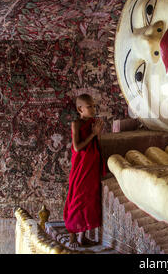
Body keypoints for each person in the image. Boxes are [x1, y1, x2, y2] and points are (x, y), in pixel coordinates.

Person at [64, 93, 107, 248]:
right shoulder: (76, 124)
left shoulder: (94, 123)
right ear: (80, 109)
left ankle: (83, 237)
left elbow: (97, 143)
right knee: (77, 198)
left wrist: (97, 134)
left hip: (92, 165)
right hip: (81, 166)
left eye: (94, 106)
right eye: (90, 106)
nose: (93, 109)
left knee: (89, 200)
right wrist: (93, 133)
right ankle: (72, 237)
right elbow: (77, 147)